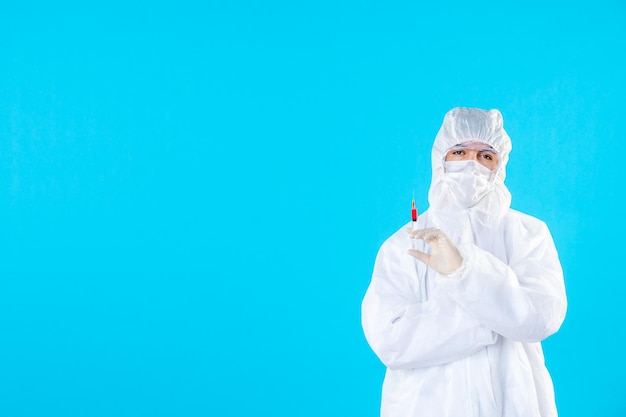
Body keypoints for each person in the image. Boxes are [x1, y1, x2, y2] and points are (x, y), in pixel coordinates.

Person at [361, 107, 567, 417]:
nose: (472, 164)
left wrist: (464, 270)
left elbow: (542, 317)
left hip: (514, 403)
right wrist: (495, 318)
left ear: (500, 166)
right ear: (439, 160)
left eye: (486, 155)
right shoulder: (403, 244)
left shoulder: (529, 233)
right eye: (459, 151)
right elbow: (390, 340)